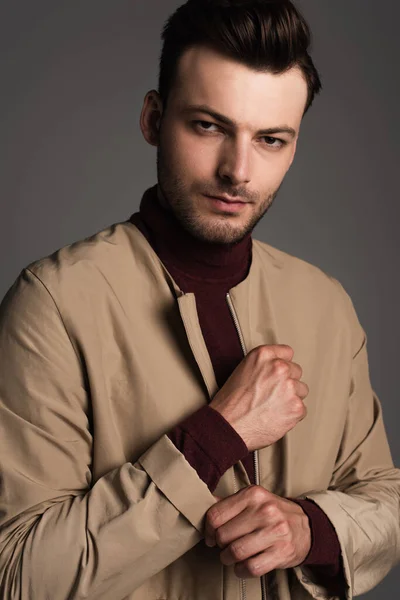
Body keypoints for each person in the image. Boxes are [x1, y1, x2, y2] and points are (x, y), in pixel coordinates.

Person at [0, 0, 399, 598]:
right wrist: (216, 436)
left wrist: (309, 529)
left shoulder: (326, 305)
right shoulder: (54, 303)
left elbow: (385, 503)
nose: (238, 170)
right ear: (153, 119)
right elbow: (19, 576)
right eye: (209, 126)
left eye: (270, 139)